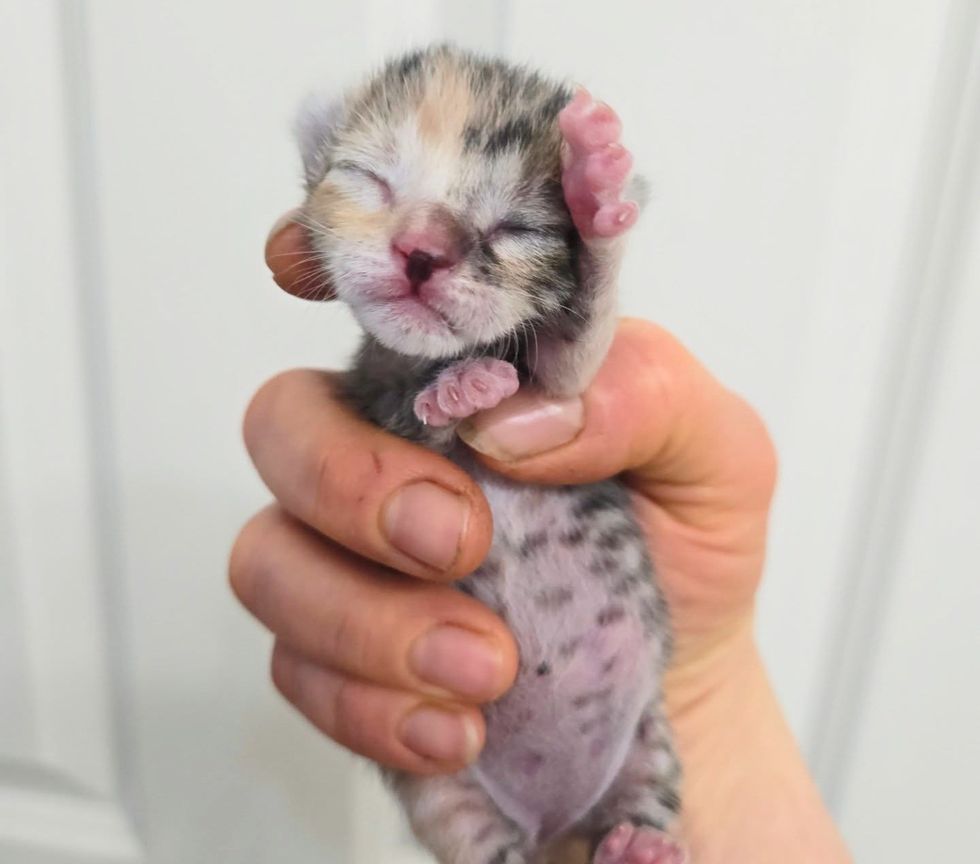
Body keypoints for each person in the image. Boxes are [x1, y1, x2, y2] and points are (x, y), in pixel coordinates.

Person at [228, 214, 853, 863]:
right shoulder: (394, 349)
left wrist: (708, 688)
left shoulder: (545, 329)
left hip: (621, 717)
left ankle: (639, 822)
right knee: (441, 791)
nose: (428, 244)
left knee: (640, 766)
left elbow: (572, 333)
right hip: (474, 747)